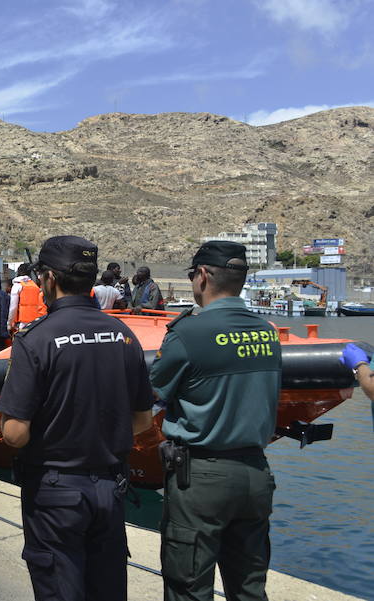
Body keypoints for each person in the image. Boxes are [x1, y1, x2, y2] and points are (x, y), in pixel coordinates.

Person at [0, 236, 154, 601]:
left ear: (50, 278)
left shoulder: (35, 341)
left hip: (56, 495)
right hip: (110, 490)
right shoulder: (124, 336)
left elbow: (16, 434)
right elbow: (143, 419)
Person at [150, 241, 282, 601]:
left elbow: (153, 390)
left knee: (188, 587)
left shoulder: (188, 333)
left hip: (202, 479)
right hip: (256, 475)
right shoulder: (267, 332)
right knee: (250, 588)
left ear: (203, 276)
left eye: (193, 275)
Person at [8, 264, 46, 333]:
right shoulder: (35, 286)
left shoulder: (17, 285)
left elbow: (13, 307)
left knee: (22, 341)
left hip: (23, 324)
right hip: (36, 322)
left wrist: (9, 323)